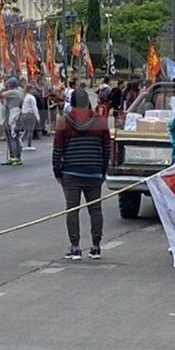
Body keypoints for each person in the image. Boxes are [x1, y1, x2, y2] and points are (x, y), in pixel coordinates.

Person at [51, 89, 111, 261]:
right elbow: (106, 149)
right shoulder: (100, 121)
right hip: (94, 172)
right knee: (95, 210)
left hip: (71, 172)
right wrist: (103, 170)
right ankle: (96, 246)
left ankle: (76, 247)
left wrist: (57, 171)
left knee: (73, 209)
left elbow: (58, 150)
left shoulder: (64, 122)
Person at [0, 77, 26, 165]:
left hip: (12, 115)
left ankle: (13, 156)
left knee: (12, 137)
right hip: (18, 114)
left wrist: (2, 89)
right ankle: (18, 156)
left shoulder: (12, 92)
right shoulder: (21, 92)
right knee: (17, 137)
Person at [20, 82, 40, 151]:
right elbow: (34, 108)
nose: (33, 90)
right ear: (30, 90)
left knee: (25, 130)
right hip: (30, 114)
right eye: (32, 89)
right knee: (30, 130)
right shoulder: (31, 97)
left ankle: (20, 141)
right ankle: (29, 144)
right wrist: (37, 117)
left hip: (24, 113)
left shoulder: (24, 96)